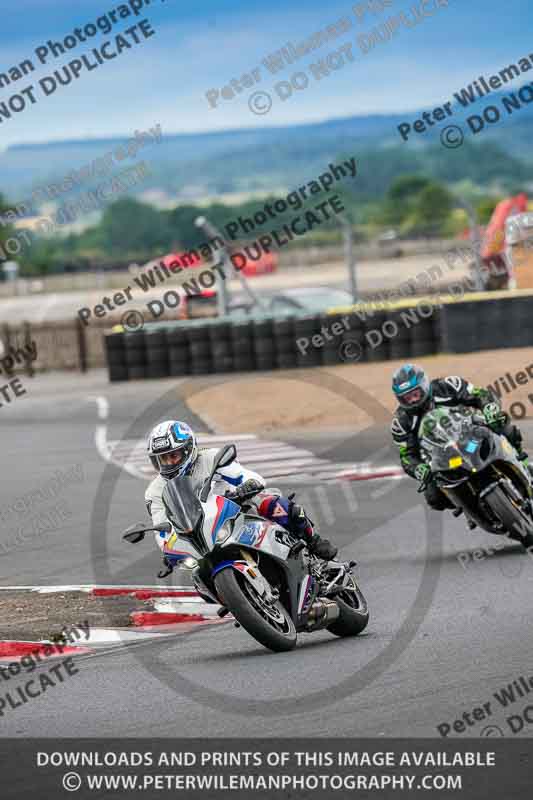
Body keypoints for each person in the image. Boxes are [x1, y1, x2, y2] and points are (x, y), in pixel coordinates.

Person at [145, 420, 338, 569]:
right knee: (196, 573)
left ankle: (313, 541)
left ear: (188, 450)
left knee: (274, 505)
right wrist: (169, 552)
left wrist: (248, 486)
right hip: (202, 535)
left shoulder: (211, 458)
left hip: (237, 508)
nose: (169, 463)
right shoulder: (154, 491)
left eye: (173, 456)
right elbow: (162, 530)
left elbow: (245, 476)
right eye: (163, 458)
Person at [390, 363, 532, 511]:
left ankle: (522, 462)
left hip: (471, 436)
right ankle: (468, 507)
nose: (413, 400)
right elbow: (407, 456)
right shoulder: (401, 422)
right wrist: (418, 469)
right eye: (407, 398)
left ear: (424, 385)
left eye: (415, 394)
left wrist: (489, 409)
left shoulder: (447, 386)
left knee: (500, 422)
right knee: (434, 498)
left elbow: (481, 395)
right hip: (442, 457)